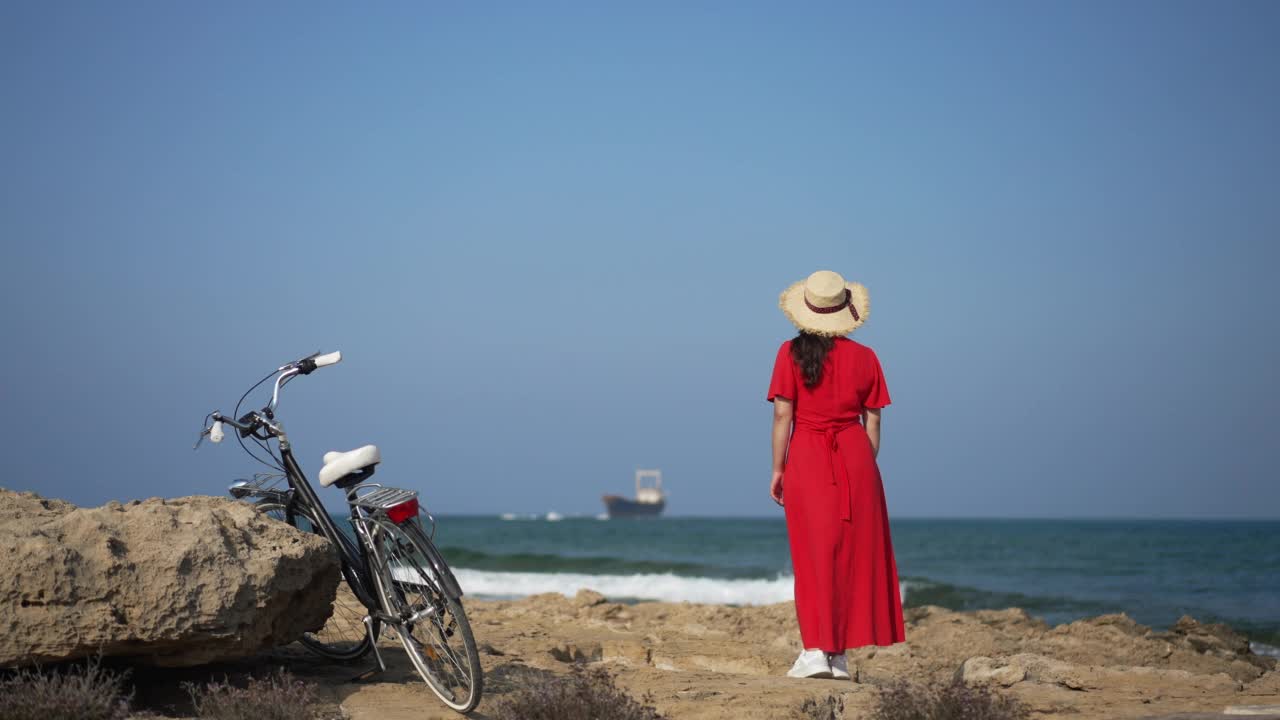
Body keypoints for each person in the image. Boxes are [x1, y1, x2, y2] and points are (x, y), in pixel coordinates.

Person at [767, 269, 906, 680]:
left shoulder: (789, 354)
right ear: (844, 311)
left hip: (808, 455)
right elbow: (874, 424)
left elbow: (782, 416)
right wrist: (861, 468)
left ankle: (815, 652)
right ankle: (839, 657)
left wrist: (778, 468)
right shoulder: (867, 358)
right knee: (850, 557)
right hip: (856, 457)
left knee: (813, 556)